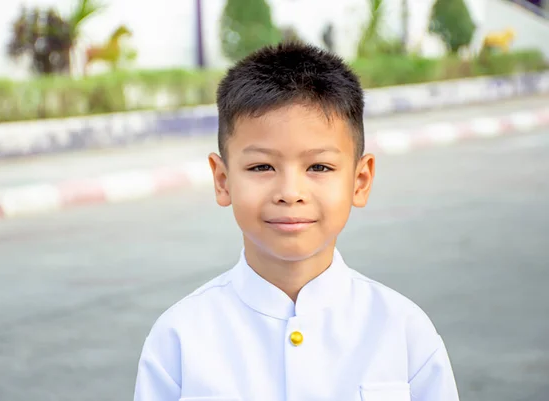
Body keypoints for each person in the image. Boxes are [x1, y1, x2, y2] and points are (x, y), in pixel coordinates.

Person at [133, 42, 460, 401]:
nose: (290, 192)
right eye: (261, 167)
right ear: (223, 180)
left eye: (319, 167)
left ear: (360, 180)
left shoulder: (403, 331)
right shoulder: (179, 338)